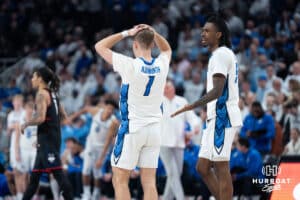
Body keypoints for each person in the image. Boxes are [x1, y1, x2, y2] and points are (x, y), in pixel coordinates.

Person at [95, 24, 171, 200]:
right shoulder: (162, 64)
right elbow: (166, 48)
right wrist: (154, 33)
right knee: (149, 182)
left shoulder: (129, 64)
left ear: (134, 45)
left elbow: (99, 46)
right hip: (154, 130)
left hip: (133, 128)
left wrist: (126, 33)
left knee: (120, 179)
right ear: (152, 44)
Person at [171, 14, 243, 200]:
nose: (202, 33)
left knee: (221, 166)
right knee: (202, 167)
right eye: (202, 30)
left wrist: (192, 106)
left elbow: (218, 91)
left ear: (218, 34)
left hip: (223, 116)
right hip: (215, 116)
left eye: (207, 30)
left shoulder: (220, 54)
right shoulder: (220, 55)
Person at [21, 67, 73, 200]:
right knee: (34, 179)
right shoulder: (53, 93)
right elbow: (63, 116)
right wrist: (43, 135)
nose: (31, 79)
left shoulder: (41, 94)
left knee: (58, 174)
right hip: (51, 138)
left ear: (40, 79)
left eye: (33, 77)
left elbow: (41, 118)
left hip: (48, 141)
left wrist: (26, 124)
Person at [160, 80, 200, 200]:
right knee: (172, 173)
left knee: (177, 174)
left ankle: (166, 198)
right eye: (165, 87)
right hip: (163, 142)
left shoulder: (182, 101)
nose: (167, 89)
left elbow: (192, 117)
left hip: (179, 142)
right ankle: (180, 198)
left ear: (173, 88)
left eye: (169, 87)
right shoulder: (157, 102)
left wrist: (194, 127)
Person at [72, 100, 118, 200]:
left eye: (112, 110)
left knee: (97, 172)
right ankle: (86, 193)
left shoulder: (113, 122)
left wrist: (101, 159)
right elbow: (85, 109)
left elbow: (107, 142)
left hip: (102, 148)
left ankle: (96, 193)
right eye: (108, 108)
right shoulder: (97, 111)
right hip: (91, 145)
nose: (109, 111)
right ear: (105, 107)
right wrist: (72, 117)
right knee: (86, 169)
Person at [14, 101, 37, 200]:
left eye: (31, 109)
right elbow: (16, 139)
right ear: (25, 110)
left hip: (34, 151)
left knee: (35, 175)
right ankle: (24, 196)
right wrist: (16, 153)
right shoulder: (20, 122)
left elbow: (42, 136)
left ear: (34, 111)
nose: (29, 111)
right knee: (24, 175)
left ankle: (35, 195)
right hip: (23, 151)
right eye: (28, 109)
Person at [7, 95, 25, 200]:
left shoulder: (24, 113)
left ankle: (25, 194)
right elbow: (9, 130)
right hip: (13, 145)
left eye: (19, 101)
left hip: (23, 145)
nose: (17, 103)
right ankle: (19, 195)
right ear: (13, 103)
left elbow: (21, 126)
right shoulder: (10, 115)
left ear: (22, 103)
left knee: (24, 172)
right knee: (16, 170)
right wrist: (14, 126)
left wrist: (14, 126)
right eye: (15, 101)